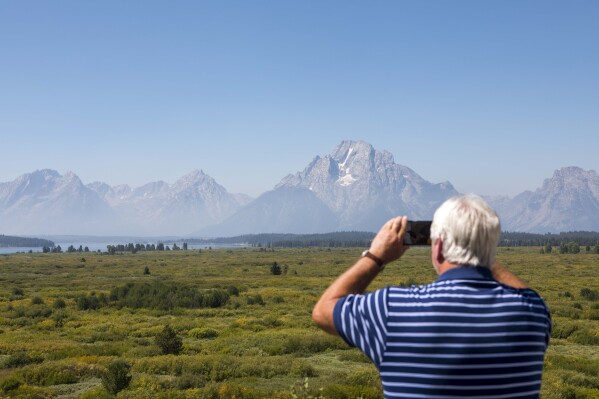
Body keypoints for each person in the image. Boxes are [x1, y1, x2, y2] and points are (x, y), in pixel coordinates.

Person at [312, 194, 551, 399]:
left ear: (438, 248)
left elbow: (323, 311)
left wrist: (376, 256)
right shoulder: (533, 313)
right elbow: (526, 293)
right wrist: (479, 251)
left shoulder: (392, 309)